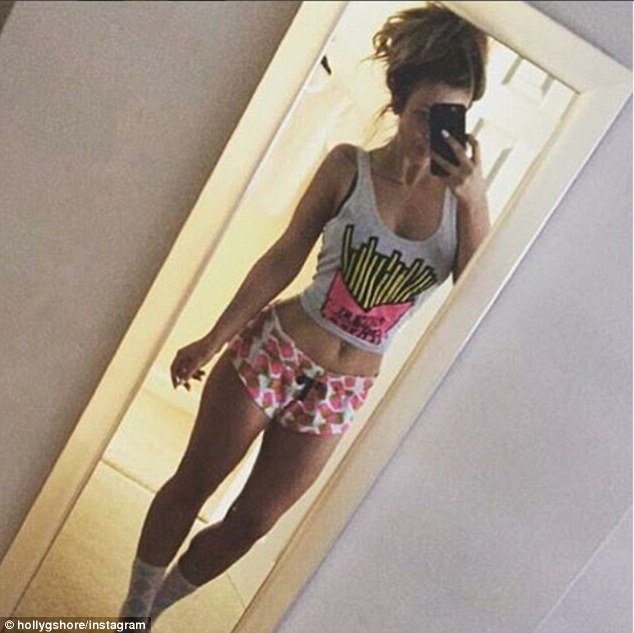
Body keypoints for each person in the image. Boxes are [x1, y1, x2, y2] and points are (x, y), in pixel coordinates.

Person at [119, 2, 490, 626]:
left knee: (254, 522)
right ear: (400, 103)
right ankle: (132, 612)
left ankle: (155, 608)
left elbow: (477, 296)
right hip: (276, 349)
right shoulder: (349, 166)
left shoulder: (465, 203)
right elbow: (284, 255)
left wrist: (473, 199)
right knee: (194, 481)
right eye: (425, 114)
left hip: (345, 388)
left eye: (451, 117)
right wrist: (214, 337)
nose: (434, 133)